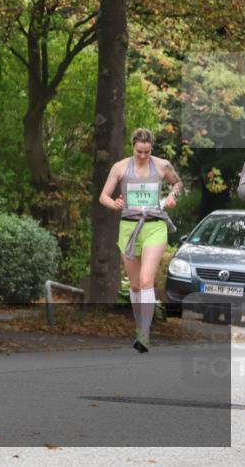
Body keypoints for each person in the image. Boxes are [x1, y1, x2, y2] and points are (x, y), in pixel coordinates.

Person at [99, 128, 182, 353]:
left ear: (151, 148)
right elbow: (103, 196)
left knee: (146, 280)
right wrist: (113, 204)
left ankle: (144, 336)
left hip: (155, 226)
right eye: (139, 152)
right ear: (133, 147)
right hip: (129, 228)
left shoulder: (162, 165)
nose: (143, 156)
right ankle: (140, 329)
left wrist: (172, 196)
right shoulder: (120, 167)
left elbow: (177, 183)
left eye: (147, 152)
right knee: (135, 285)